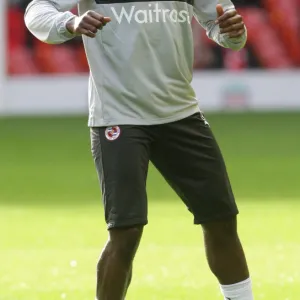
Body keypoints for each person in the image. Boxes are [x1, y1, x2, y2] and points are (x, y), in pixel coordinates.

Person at [25, 0, 253, 299]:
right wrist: (69, 24)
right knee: (126, 231)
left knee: (221, 219)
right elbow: (37, 10)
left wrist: (234, 33)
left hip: (180, 111)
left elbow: (223, 24)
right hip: (118, 116)